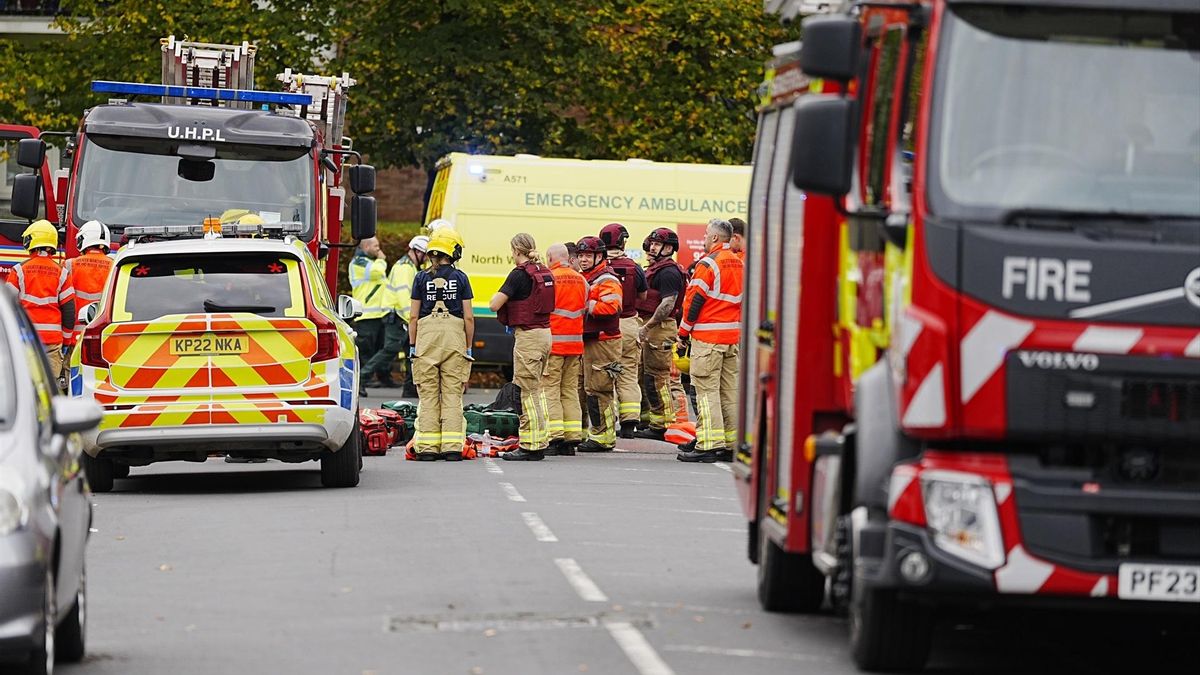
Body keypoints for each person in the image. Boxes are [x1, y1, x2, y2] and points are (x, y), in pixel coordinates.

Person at [676, 219, 743, 462]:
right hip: (731, 338)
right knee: (729, 391)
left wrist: (683, 334)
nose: (704, 239)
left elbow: (694, 301)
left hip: (708, 339)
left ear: (715, 238)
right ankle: (730, 443)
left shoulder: (708, 264)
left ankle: (707, 443)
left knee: (706, 392)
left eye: (706, 235)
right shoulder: (739, 263)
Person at [408, 230, 474, 460]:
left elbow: (413, 317)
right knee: (452, 394)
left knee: (427, 395)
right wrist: (468, 347)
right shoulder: (462, 278)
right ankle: (452, 448)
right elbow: (468, 317)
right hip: (454, 338)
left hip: (426, 338)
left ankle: (426, 448)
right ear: (453, 251)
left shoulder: (420, 278)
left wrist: (412, 345)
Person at [490, 233, 555, 461]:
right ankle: (540, 440)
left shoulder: (519, 275)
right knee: (536, 390)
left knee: (523, 392)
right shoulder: (543, 271)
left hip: (528, 338)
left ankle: (530, 445)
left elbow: (494, 304)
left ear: (515, 250)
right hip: (546, 334)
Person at [633, 228, 687, 440]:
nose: (652, 247)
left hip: (660, 327)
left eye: (657, 244)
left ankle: (661, 424)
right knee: (647, 377)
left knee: (657, 378)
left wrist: (647, 328)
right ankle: (654, 421)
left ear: (670, 248)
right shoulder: (656, 269)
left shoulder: (668, 272)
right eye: (652, 243)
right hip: (651, 326)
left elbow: (668, 304)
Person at [6, 220, 74, 387]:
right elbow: (69, 311)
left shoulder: (19, 271)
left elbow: (7, 306)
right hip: (52, 342)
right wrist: (65, 342)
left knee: (26, 387)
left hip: (25, 340)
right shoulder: (62, 273)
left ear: (32, 242)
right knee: (50, 388)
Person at [574, 236, 624, 453]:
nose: (583, 260)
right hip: (591, 340)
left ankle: (603, 437)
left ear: (600, 257)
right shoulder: (588, 277)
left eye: (588, 256)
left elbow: (612, 306)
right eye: (581, 255)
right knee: (586, 389)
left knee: (599, 389)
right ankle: (590, 433)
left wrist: (587, 305)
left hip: (604, 342)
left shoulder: (607, 279)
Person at [598, 223, 647, 438]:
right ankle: (629, 423)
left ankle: (605, 425)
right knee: (628, 373)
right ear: (622, 242)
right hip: (628, 323)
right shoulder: (634, 267)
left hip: (606, 326)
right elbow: (643, 297)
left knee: (605, 374)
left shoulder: (598, 266)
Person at [363, 235, 429, 392]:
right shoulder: (404, 268)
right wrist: (411, 319)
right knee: (390, 350)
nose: (426, 259)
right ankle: (361, 379)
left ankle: (411, 388)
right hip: (397, 316)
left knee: (411, 352)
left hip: (399, 315)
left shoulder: (409, 267)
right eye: (425, 255)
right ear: (418, 252)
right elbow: (403, 296)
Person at [542, 243, 586, 456]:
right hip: (575, 345)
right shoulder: (582, 280)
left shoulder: (550, 278)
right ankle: (572, 438)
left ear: (551, 257)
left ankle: (554, 436)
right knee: (570, 391)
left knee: (550, 390)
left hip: (554, 344)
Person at [63, 220, 114, 344]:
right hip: (103, 334)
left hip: (74, 336)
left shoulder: (69, 264)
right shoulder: (114, 265)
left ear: (83, 240)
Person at [349, 237, 388, 394]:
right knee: (366, 350)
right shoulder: (359, 261)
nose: (378, 249)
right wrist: (382, 260)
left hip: (377, 312)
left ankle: (382, 376)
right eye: (375, 246)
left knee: (379, 348)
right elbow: (376, 272)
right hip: (366, 313)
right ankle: (361, 383)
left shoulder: (368, 260)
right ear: (365, 246)